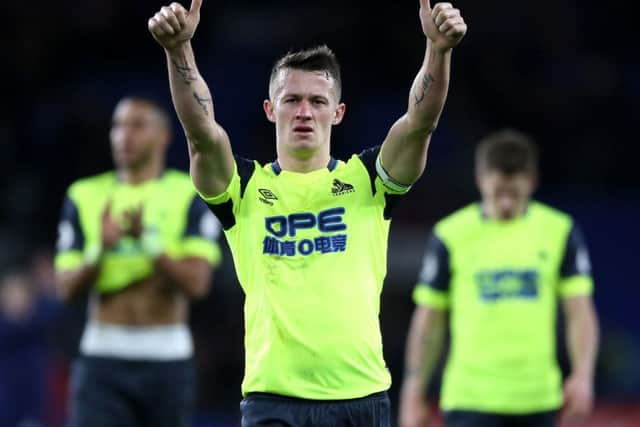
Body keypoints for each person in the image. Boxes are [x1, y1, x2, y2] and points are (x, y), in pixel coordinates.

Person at [148, 0, 466, 425]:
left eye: (317, 101)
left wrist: (437, 49)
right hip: (273, 400)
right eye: (291, 99)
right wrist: (179, 50)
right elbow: (201, 134)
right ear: (269, 109)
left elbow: (420, 121)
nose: (303, 111)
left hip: (362, 396)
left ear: (337, 113)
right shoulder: (244, 188)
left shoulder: (368, 181)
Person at [398, 129, 599, 427]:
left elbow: (579, 312)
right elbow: (429, 319)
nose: (505, 204)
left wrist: (583, 375)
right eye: (497, 193)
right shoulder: (451, 235)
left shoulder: (560, 231)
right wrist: (413, 389)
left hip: (537, 399)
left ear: (531, 182)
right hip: (469, 399)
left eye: (514, 195)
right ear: (480, 180)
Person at [54, 96, 222, 427]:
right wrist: (98, 251)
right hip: (102, 356)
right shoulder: (83, 195)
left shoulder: (188, 193)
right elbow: (65, 290)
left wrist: (151, 245)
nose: (123, 136)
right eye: (117, 126)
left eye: (137, 125)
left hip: (167, 358)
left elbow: (198, 284)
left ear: (163, 136)